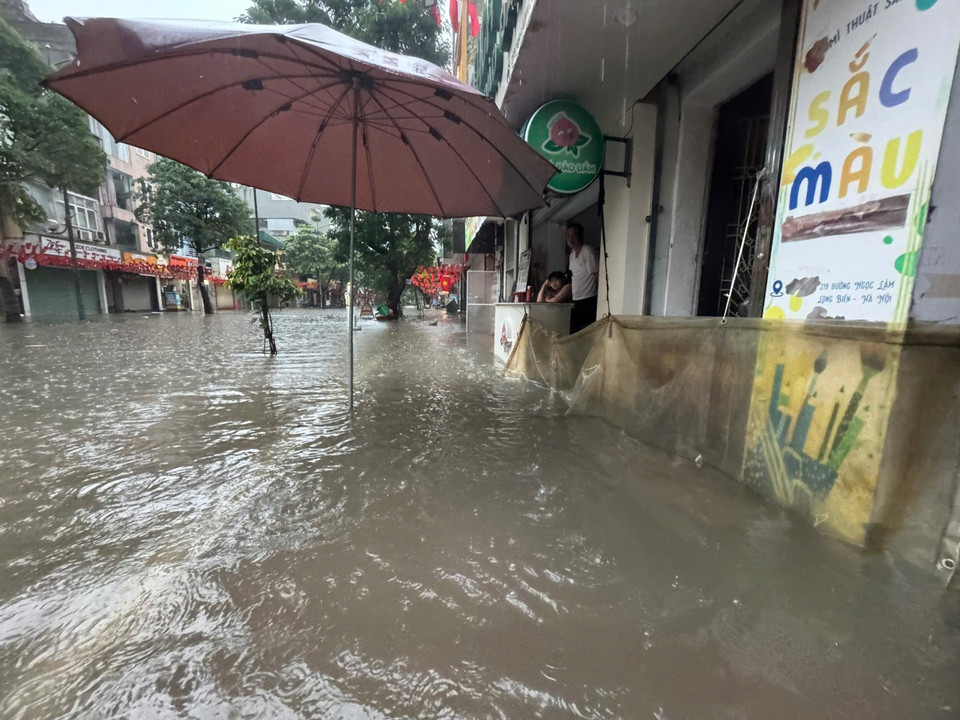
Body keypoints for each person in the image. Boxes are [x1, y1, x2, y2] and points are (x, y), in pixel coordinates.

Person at [566, 222, 598, 333]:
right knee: (575, 332)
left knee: (587, 332)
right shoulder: (571, 255)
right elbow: (575, 276)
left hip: (589, 299)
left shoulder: (588, 251)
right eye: (568, 236)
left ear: (580, 236)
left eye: (573, 235)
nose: (570, 239)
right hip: (576, 299)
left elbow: (596, 274)